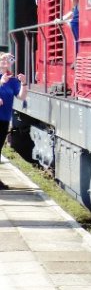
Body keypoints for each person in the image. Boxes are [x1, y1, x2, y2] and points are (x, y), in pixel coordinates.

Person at [0, 53, 27, 190]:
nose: (5, 61)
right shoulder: (3, 79)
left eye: (8, 59)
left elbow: (21, 97)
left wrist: (23, 83)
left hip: (4, 118)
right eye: (2, 59)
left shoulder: (12, 80)